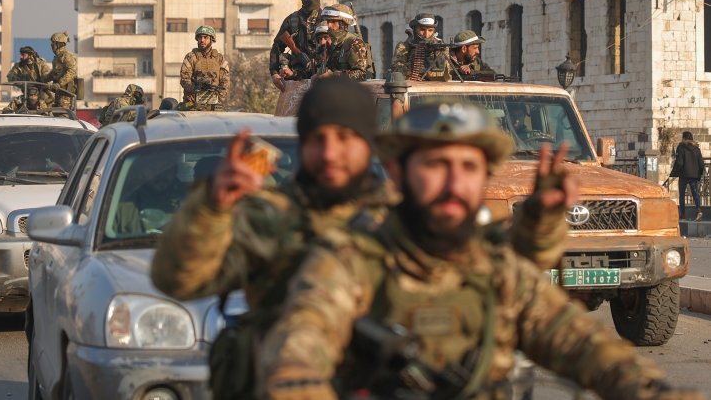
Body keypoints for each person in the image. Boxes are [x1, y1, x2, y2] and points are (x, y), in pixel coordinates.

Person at [151, 78, 572, 399]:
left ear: (368, 142)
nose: (330, 153)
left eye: (346, 138)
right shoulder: (269, 218)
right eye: (317, 139)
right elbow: (179, 280)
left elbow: (506, 269)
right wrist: (210, 210)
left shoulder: (405, 210)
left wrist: (540, 218)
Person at [259, 101, 695, 400]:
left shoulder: (498, 270)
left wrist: (650, 389)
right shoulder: (348, 262)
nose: (453, 183)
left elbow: (579, 343)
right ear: (396, 171)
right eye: (435, 165)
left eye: (468, 168)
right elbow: (299, 352)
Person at [269, 0, 322, 91]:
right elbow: (277, 47)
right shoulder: (292, 20)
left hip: (323, 75)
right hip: (297, 76)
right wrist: (274, 73)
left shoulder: (327, 18)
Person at [310, 5, 371, 81]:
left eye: (333, 22)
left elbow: (361, 74)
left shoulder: (354, 43)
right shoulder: (334, 45)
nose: (329, 25)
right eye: (328, 21)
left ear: (342, 23)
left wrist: (333, 76)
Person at [179, 25, 229, 111]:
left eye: (205, 37)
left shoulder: (219, 59)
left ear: (211, 39)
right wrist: (195, 88)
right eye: (200, 37)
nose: (202, 40)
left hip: (214, 104)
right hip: (193, 104)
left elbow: (225, 82)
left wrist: (219, 97)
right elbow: (184, 79)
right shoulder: (191, 57)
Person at [391, 13, 451, 81]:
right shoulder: (404, 46)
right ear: (415, 29)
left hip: (436, 85)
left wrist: (434, 56)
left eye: (430, 30)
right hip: (412, 85)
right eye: (422, 30)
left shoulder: (440, 46)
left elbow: (446, 72)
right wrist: (412, 66)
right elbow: (396, 68)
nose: (426, 34)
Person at [669, 131, 704, 221]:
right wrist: (699, 175)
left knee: (682, 195)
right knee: (695, 193)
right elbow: (701, 164)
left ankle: (683, 214)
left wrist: (674, 172)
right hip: (694, 175)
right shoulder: (697, 149)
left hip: (684, 175)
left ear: (684, 138)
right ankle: (699, 211)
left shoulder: (681, 147)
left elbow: (679, 162)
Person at [43, 32, 78, 109]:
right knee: (57, 112)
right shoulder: (57, 57)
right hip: (59, 91)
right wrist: (44, 79)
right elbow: (54, 73)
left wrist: (59, 83)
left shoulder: (67, 56)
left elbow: (72, 71)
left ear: (59, 44)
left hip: (66, 92)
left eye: (54, 43)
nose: (52, 45)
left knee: (64, 114)